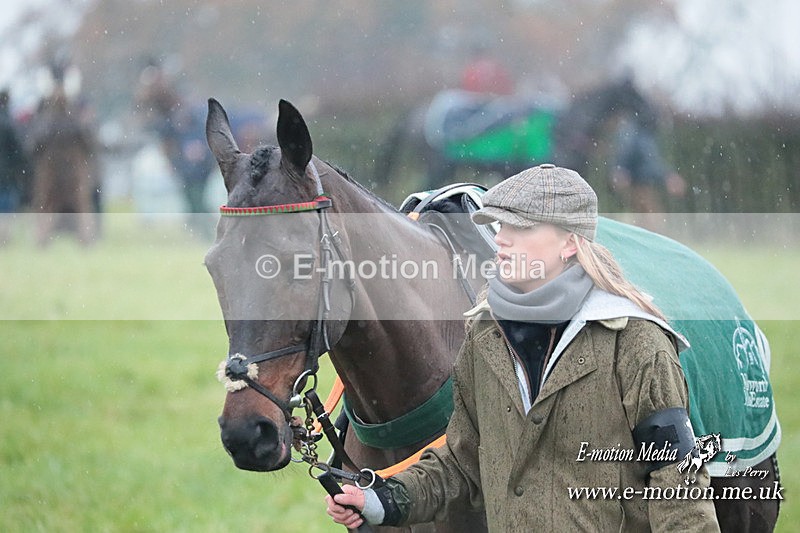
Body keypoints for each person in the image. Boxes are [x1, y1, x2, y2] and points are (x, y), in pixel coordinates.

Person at [325, 164, 720, 531]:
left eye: (521, 227)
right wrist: (383, 501)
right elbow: (463, 463)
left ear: (569, 243)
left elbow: (678, 480)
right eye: (500, 226)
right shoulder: (485, 337)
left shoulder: (636, 342)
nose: (500, 239)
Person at [612, 116, 686, 232]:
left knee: (647, 217)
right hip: (640, 183)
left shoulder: (640, 134)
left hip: (641, 182)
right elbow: (647, 161)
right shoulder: (640, 135)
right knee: (651, 218)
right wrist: (667, 176)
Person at [0, 89, 29, 243]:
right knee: (5, 207)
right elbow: (18, 151)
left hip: (6, 173)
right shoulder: (9, 123)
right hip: (6, 175)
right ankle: (4, 237)